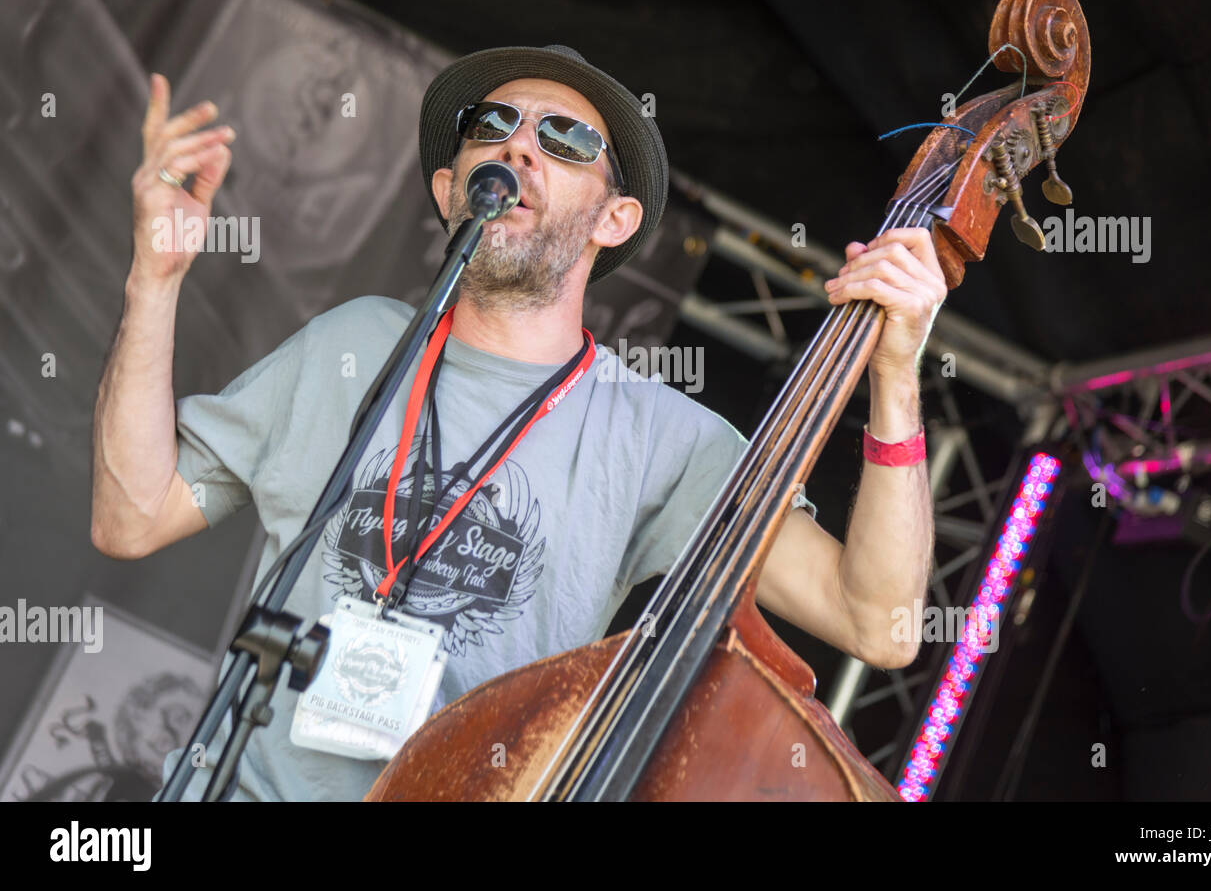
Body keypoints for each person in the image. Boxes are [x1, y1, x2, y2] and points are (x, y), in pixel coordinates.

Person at [91, 45, 947, 801]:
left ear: (615, 221)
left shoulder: (662, 439)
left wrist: (897, 373)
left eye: (565, 139)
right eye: (492, 125)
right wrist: (155, 277)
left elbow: (879, 622)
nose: (518, 145)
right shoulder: (351, 344)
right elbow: (131, 516)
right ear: (448, 188)